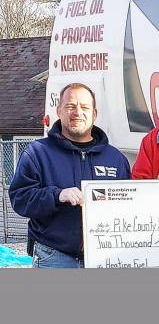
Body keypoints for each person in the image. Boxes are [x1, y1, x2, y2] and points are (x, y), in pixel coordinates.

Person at [9, 83, 131, 268]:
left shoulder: (115, 159)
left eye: (84, 107)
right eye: (70, 106)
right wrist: (57, 195)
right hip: (53, 257)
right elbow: (20, 200)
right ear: (59, 111)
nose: (77, 112)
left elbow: (129, 206)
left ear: (94, 113)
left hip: (105, 256)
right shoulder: (37, 153)